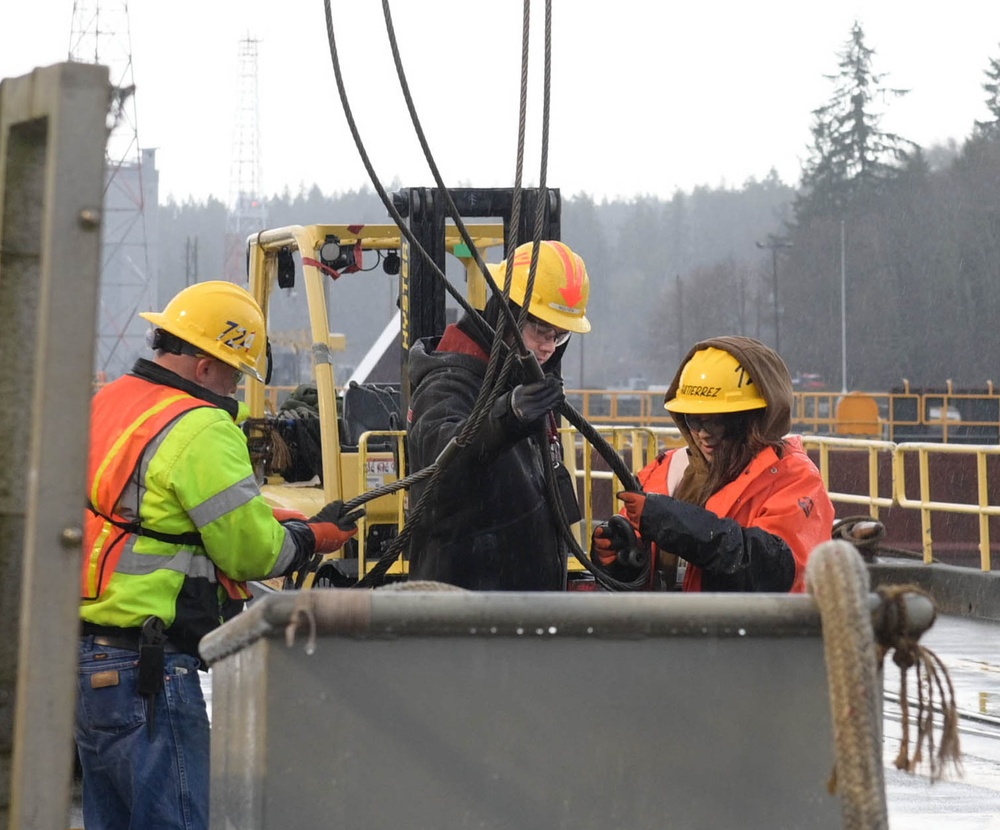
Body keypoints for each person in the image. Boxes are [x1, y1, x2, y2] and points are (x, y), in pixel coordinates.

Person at [77, 280, 360, 830]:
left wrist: (277, 519)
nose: (236, 386)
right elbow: (253, 552)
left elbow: (150, 512)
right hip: (150, 674)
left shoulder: (109, 402)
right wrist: (312, 537)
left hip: (90, 664)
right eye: (235, 371)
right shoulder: (202, 425)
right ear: (204, 365)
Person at [406, 240, 591, 590]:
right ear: (505, 312)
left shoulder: (517, 384)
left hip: (514, 612)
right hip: (466, 613)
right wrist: (508, 418)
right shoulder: (449, 381)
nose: (550, 347)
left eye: (560, 336)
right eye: (541, 330)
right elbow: (439, 460)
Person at [593, 335, 834, 592]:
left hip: (743, 631)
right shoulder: (667, 470)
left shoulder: (794, 478)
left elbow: (771, 566)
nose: (703, 433)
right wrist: (615, 559)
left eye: (717, 420)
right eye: (693, 420)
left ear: (755, 419)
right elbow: (635, 561)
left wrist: (673, 523)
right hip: (666, 628)